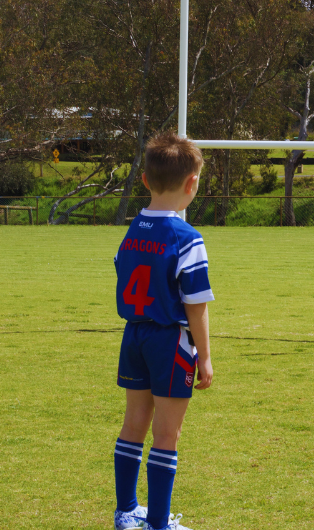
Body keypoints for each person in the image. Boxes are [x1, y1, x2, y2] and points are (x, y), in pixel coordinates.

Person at [112, 133, 214, 530]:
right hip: (170, 341)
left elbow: (123, 271)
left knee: (133, 424)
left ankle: (126, 512)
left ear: (144, 181)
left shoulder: (131, 229)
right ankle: (157, 523)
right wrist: (204, 356)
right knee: (167, 433)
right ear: (192, 184)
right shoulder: (188, 239)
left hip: (134, 336)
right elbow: (196, 305)